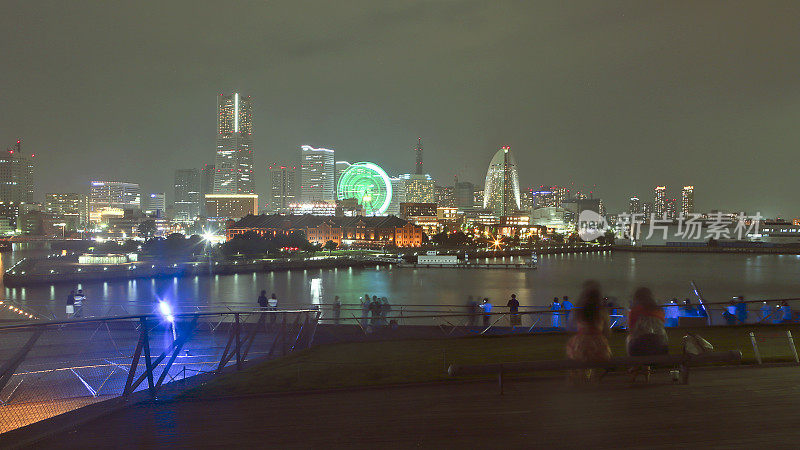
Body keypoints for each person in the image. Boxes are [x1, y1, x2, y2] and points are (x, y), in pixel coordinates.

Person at [565, 281, 611, 382]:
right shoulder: (602, 312)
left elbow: (570, 328)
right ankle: (594, 380)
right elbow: (607, 332)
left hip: (580, 345)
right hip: (598, 345)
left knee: (574, 355)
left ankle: (579, 379)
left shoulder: (578, 312)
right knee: (601, 361)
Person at [627, 287, 668, 357]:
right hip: (661, 346)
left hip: (638, 347)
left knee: (629, 339)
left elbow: (631, 330)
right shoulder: (659, 311)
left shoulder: (634, 311)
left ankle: (634, 365)